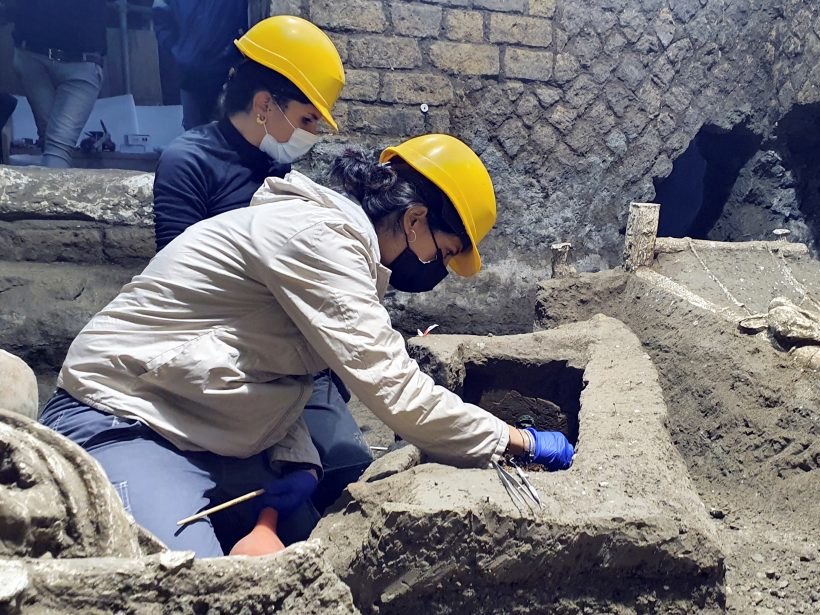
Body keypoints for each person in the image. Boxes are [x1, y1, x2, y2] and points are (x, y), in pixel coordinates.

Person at [39, 133, 576, 558]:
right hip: (123, 419)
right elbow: (395, 389)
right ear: (415, 221)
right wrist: (519, 441)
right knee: (186, 584)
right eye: (445, 253)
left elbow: (273, 366)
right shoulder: (320, 239)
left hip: (195, 423)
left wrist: (297, 461)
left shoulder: (336, 245)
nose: (439, 269)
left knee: (320, 542)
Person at [152, 15, 361, 512]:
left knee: (349, 466)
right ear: (266, 105)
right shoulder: (188, 162)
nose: (312, 134)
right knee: (263, 496)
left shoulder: (279, 169)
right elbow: (181, 286)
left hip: (292, 355)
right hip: (224, 354)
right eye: (307, 120)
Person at [9, 0, 105, 168]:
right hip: (41, 57)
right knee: (56, 145)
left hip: (38, 53)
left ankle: (47, 184)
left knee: (54, 144)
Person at [151, 0, 248, 130]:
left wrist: (234, 52)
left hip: (228, 72)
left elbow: (249, 16)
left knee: (230, 132)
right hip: (190, 72)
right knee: (193, 131)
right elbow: (160, 10)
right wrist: (175, 48)